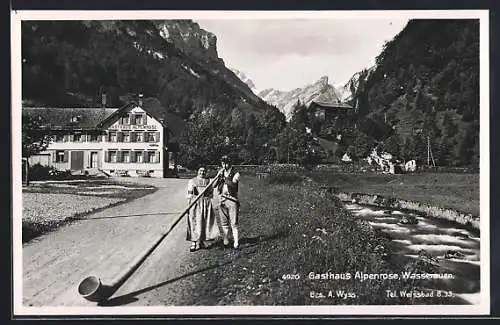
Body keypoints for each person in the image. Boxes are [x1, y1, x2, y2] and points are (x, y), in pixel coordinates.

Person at [186, 167, 219, 252]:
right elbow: (189, 194)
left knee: (204, 222)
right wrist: (188, 206)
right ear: (197, 171)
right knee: (195, 222)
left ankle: (202, 242)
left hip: (205, 203)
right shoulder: (192, 181)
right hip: (195, 203)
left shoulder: (208, 181)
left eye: (204, 171)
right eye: (200, 170)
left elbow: (210, 193)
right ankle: (194, 243)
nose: (202, 172)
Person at [215, 155, 241, 249]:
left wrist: (224, 178)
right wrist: (218, 176)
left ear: (230, 164)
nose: (224, 165)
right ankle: (226, 241)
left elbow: (233, 185)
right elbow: (214, 185)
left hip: (232, 200)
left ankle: (236, 242)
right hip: (222, 199)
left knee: (233, 222)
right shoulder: (220, 174)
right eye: (222, 163)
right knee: (224, 222)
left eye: (226, 163)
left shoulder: (236, 173)